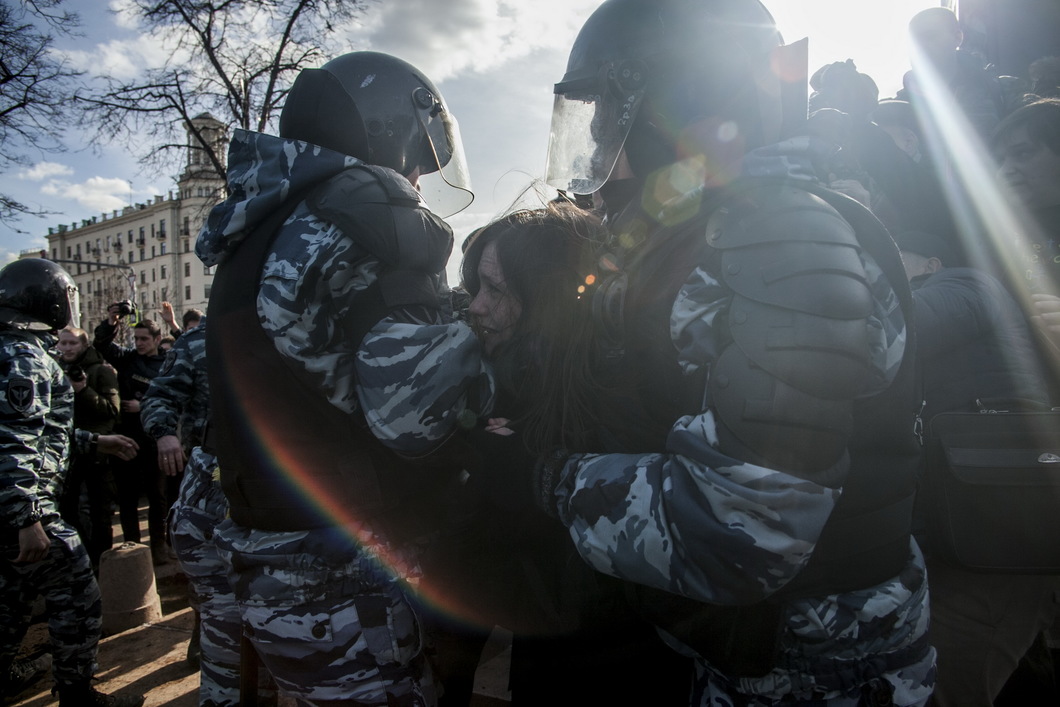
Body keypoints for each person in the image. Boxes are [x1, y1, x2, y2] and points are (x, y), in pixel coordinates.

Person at [537, 0, 932, 704]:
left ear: (676, 107)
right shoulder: (708, 233)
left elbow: (745, 534)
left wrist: (552, 477)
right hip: (744, 656)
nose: (598, 148)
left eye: (608, 117)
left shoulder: (782, 234)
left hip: (817, 674)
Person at [198, 50, 491, 706]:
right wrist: (488, 351)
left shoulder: (255, 227)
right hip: (349, 579)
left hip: (269, 566)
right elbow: (409, 418)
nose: (418, 178)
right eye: (420, 157)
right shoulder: (366, 204)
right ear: (393, 133)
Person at [450, 202, 693, 705]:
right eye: (478, 287)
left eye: (495, 290)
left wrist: (524, 475)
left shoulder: (619, 395)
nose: (475, 306)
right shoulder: (512, 380)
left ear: (548, 298)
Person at [892, 229, 1059, 707]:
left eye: (893, 252)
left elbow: (894, 328)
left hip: (995, 550)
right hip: (990, 542)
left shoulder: (963, 284)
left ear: (931, 264)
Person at [0, 257, 144, 707]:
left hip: (16, 507)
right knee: (77, 592)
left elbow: (42, 433)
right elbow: (13, 441)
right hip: (24, 511)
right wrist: (26, 517)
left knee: (10, 604)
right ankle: (78, 694)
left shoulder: (14, 347)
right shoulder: (24, 358)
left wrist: (92, 442)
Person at [93, 313, 170, 563]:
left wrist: (144, 405)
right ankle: (133, 547)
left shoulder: (167, 363)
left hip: (154, 439)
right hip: (126, 438)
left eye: (144, 339)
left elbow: (175, 393)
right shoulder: (128, 359)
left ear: (157, 339)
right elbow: (102, 344)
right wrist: (112, 321)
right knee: (127, 497)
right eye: (136, 338)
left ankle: (158, 546)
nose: (139, 343)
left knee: (157, 496)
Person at [55, 326, 121, 569]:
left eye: (73, 343)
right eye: (63, 343)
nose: (68, 348)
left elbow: (112, 411)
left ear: (83, 346)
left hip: (97, 454)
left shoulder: (101, 371)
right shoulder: (53, 369)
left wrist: (83, 390)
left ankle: (102, 566)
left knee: (99, 514)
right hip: (66, 455)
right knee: (69, 512)